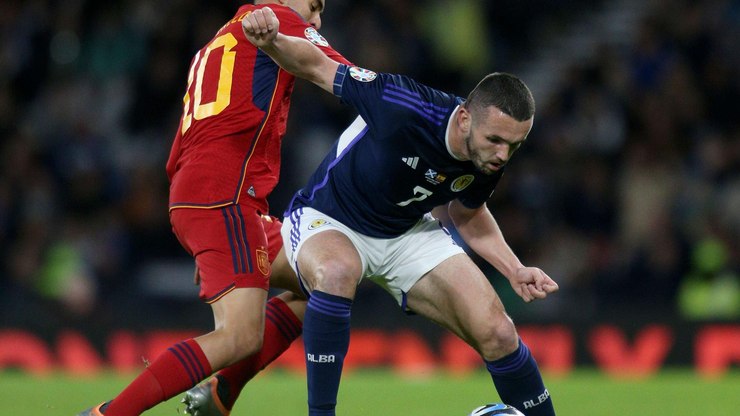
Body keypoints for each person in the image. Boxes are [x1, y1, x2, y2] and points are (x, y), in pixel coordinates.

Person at [240, 7, 559, 416]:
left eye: (514, 146)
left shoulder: (488, 157)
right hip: (331, 217)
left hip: (407, 232)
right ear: (464, 117)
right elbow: (319, 67)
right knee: (336, 274)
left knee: (498, 331)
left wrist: (514, 270)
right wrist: (272, 42)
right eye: (496, 140)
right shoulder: (401, 103)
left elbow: (467, 213)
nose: (502, 154)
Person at [77, 1, 351, 415]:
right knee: (240, 337)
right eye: (314, 5)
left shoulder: (221, 39)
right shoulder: (278, 19)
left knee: (325, 278)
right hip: (224, 196)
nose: (316, 20)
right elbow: (353, 81)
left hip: (211, 194)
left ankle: (220, 394)